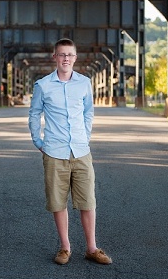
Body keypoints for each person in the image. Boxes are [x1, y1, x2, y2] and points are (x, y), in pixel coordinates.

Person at [28, 38, 112, 265]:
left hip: (81, 151)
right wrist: (38, 141)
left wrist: (85, 137)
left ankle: (92, 248)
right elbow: (34, 114)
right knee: (58, 202)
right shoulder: (43, 85)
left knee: (88, 201)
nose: (66, 58)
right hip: (54, 152)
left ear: (75, 58)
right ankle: (65, 247)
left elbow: (88, 113)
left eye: (70, 55)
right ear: (54, 57)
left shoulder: (84, 83)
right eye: (62, 54)